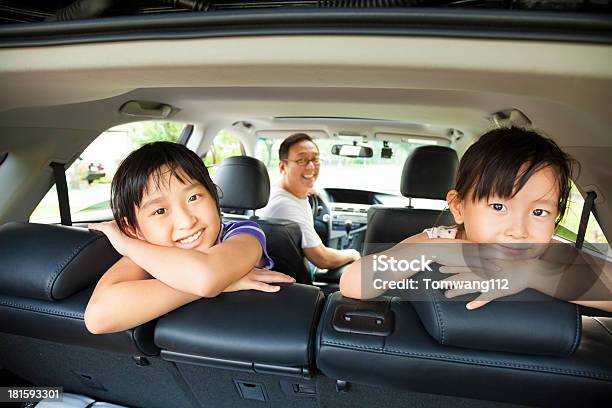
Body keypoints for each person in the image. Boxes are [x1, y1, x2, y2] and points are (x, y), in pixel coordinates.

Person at [340, 127, 612, 312]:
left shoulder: (551, 252)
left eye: (539, 212)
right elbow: (352, 281)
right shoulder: (438, 240)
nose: (519, 230)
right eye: (498, 206)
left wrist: (532, 273)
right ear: (458, 207)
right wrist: (429, 251)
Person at [84, 142, 294, 334]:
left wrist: (124, 243)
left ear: (213, 195)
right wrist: (223, 283)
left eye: (193, 198)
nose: (186, 221)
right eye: (160, 211)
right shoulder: (144, 250)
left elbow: (206, 277)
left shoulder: (245, 234)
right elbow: (98, 316)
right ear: (135, 230)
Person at [259, 133, 360, 270]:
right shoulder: (285, 206)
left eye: (315, 159)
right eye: (301, 160)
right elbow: (323, 259)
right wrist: (352, 254)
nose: (311, 166)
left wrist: (306, 187)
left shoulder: (278, 192)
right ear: (283, 167)